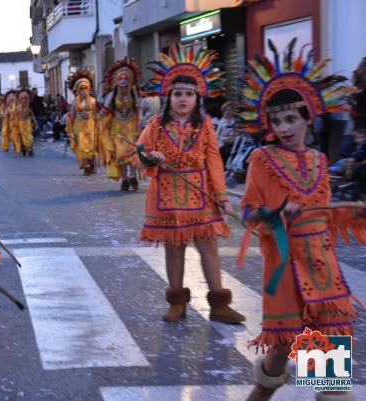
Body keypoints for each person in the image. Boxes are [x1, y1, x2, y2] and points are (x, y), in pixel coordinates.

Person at [235, 40, 364, 401]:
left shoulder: (321, 162)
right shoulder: (261, 159)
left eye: (291, 118)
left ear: (308, 117)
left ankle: (329, 393)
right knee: (282, 347)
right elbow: (248, 212)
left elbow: (322, 215)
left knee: (329, 352)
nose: (284, 127)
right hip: (287, 267)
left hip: (323, 268)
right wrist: (276, 214)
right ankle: (262, 391)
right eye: (276, 120)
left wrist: (352, 211)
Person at [135, 44, 246, 325]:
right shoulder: (156, 124)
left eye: (188, 94)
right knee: (174, 248)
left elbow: (214, 162)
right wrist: (151, 158)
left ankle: (219, 304)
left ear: (198, 98)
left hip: (201, 196)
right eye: (177, 94)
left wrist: (222, 195)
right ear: (168, 97)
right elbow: (137, 154)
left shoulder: (205, 125)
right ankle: (177, 303)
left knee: (208, 247)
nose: (183, 99)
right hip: (167, 198)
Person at [100, 59, 142, 191]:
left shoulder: (134, 93)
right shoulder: (112, 95)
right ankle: (124, 179)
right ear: (117, 81)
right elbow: (105, 109)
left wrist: (141, 119)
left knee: (132, 153)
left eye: (126, 78)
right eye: (121, 78)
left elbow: (139, 107)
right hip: (117, 127)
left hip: (131, 126)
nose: (123, 80)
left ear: (129, 80)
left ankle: (133, 177)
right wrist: (97, 117)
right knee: (121, 154)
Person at [66, 70, 99, 175]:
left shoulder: (93, 101)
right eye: (81, 88)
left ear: (89, 89)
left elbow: (96, 114)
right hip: (78, 126)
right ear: (78, 90)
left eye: (85, 88)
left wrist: (98, 124)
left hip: (90, 126)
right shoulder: (75, 101)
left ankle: (91, 163)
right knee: (82, 146)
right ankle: (86, 166)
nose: (84, 90)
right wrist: (69, 129)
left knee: (91, 146)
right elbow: (71, 115)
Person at [15, 89, 36, 157]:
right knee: (22, 137)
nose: (24, 100)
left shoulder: (28, 106)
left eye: (25, 98)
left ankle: (30, 149)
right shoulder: (18, 107)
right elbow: (16, 116)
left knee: (29, 136)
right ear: (20, 99)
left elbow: (31, 115)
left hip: (28, 123)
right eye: (22, 98)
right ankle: (24, 147)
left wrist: (36, 122)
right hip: (21, 123)